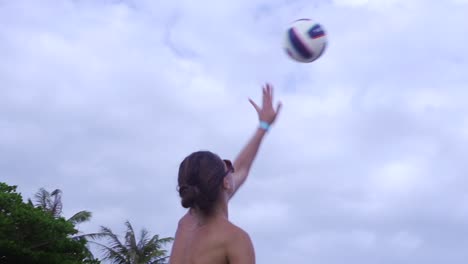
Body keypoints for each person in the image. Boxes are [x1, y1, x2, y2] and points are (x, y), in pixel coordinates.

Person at [169, 83, 282, 264]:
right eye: (228, 168)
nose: (234, 169)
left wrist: (263, 127)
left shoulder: (185, 226)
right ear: (226, 183)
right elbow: (241, 170)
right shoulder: (234, 239)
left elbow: (242, 168)